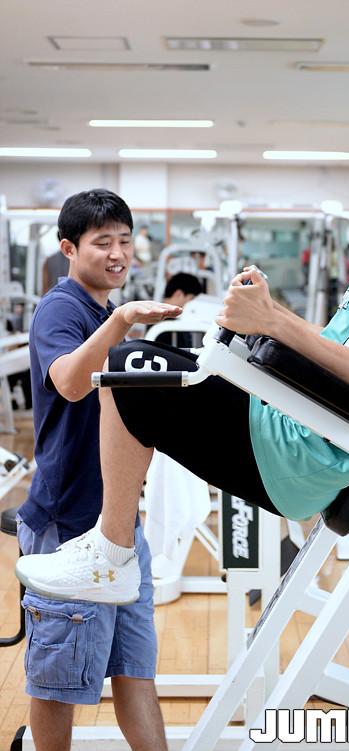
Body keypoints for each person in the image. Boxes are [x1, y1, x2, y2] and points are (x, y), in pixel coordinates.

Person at [16, 99, 349, 609]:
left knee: (130, 370)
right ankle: (114, 550)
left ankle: (111, 554)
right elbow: (337, 350)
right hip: (299, 433)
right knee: (142, 362)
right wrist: (265, 321)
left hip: (304, 450)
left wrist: (272, 320)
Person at [16, 189, 181, 751]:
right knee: (57, 684)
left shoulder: (104, 312)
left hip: (118, 528)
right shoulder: (62, 308)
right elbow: (69, 381)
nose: (118, 254)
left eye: (125, 241)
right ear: (69, 248)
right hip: (69, 524)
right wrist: (124, 323)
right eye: (102, 242)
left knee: (135, 672)